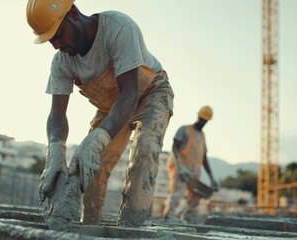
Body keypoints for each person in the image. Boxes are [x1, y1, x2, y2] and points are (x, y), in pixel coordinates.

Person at [26, 0, 174, 230]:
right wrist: (55, 148)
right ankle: (89, 228)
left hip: (150, 92)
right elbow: (57, 113)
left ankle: (130, 228)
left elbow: (131, 93)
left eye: (58, 34)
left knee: (144, 151)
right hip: (112, 107)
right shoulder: (62, 63)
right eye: (50, 40)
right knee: (91, 164)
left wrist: (99, 139)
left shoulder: (118, 28)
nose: (56, 45)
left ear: (73, 14)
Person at [163, 106, 218, 222]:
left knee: (195, 197)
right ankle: (168, 219)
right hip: (181, 168)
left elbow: (204, 158)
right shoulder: (185, 129)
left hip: (194, 171)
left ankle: (185, 218)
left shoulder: (203, 136)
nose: (202, 122)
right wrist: (179, 166)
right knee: (177, 194)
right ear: (198, 116)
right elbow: (175, 146)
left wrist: (212, 177)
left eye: (205, 120)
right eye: (201, 118)